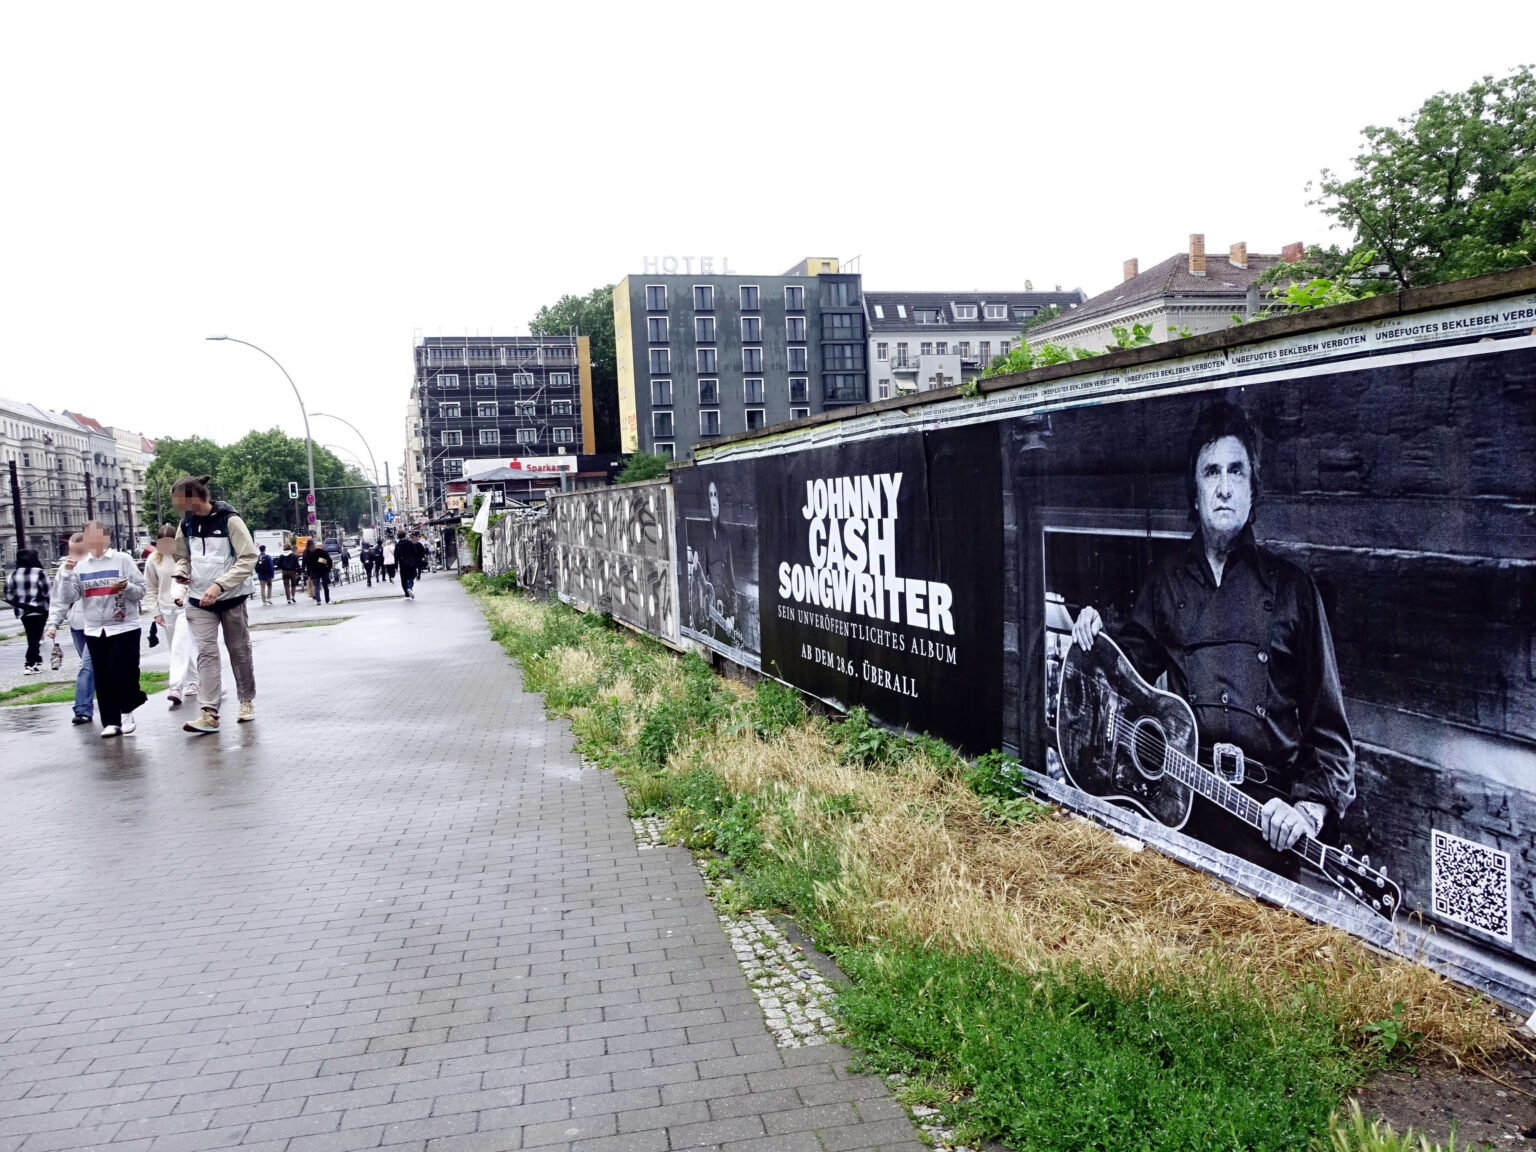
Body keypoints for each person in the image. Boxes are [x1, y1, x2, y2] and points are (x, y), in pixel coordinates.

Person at [1069, 401, 1354, 877]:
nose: (1223, 487)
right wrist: (1092, 637)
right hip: (1178, 812)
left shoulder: (1293, 589)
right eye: (1211, 472)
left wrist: (1307, 812)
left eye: (1236, 471)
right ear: (1195, 491)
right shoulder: (1166, 581)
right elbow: (1122, 678)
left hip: (1266, 826)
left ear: (1252, 486)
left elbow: (1331, 735)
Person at [172, 475, 259, 733]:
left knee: (238, 650)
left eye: (178, 499)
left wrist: (220, 584)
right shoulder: (186, 523)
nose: (175, 505)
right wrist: (180, 571)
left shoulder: (230, 520)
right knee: (206, 653)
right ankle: (209, 712)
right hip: (198, 600)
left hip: (231, 597)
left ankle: (246, 701)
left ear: (193, 497)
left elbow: (248, 557)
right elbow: (181, 556)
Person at [49, 521, 145, 737]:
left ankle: (127, 710)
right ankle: (111, 721)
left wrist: (126, 587)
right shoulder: (80, 566)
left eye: (96, 537)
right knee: (103, 676)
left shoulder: (123, 560)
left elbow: (141, 590)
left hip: (124, 626)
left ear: (107, 538)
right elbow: (68, 597)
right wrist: (65, 575)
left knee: (124, 672)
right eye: (88, 537)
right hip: (93, 628)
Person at [143, 524, 199, 707]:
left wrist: (186, 598)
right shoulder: (153, 560)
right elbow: (150, 587)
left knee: (179, 646)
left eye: (170, 542)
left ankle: (176, 686)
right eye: (162, 542)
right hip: (166, 610)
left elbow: (192, 580)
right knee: (179, 647)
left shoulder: (184, 557)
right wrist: (155, 612)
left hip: (185, 607)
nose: (166, 546)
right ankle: (195, 680)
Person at [45, 534, 95, 723]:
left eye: (79, 551)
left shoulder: (96, 566)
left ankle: (82, 708)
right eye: (72, 550)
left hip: (97, 625)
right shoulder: (66, 570)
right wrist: (53, 623)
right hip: (77, 624)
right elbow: (60, 599)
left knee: (87, 667)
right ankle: (92, 705)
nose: (75, 555)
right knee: (91, 667)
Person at [3, 548, 51, 676]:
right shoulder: (40, 573)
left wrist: (19, 603)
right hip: (40, 609)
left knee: (32, 636)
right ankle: (29, 663)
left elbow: (8, 594)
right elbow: (48, 592)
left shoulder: (13, 575)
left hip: (23, 611)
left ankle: (37, 661)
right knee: (35, 638)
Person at [303, 539, 333, 604]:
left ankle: (318, 600)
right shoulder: (324, 553)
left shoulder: (312, 554)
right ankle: (327, 600)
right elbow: (330, 563)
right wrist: (328, 569)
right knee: (325, 586)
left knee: (316, 586)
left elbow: (309, 564)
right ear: (322, 547)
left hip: (315, 572)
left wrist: (310, 572)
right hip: (324, 571)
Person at [396, 531, 425, 599]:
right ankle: (409, 586)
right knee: (412, 575)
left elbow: (396, 555)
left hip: (402, 563)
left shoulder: (397, 545)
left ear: (398, 536)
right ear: (405, 535)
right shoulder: (409, 543)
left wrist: (396, 566)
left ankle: (406, 593)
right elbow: (414, 552)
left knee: (403, 578)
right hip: (411, 562)